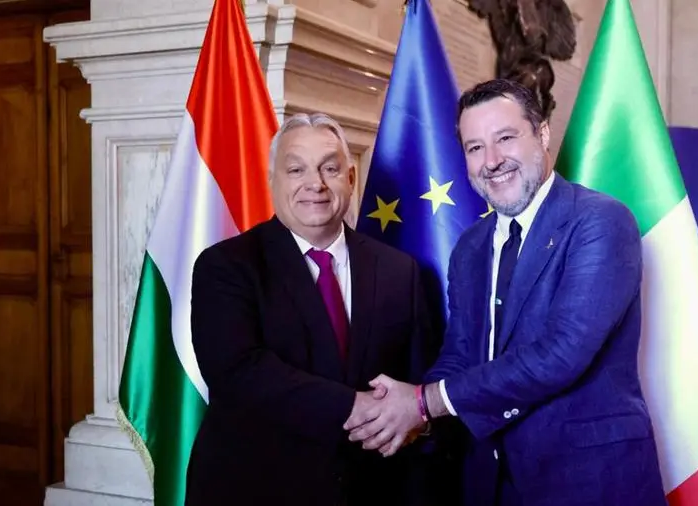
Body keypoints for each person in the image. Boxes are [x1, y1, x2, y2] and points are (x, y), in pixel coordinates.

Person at [344, 79, 668, 506]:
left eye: (505, 138)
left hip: (590, 480)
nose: (492, 161)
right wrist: (408, 415)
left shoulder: (600, 221)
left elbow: (561, 353)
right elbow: (461, 354)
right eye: (475, 147)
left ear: (543, 133)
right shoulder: (470, 247)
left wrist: (423, 402)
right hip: (490, 481)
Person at [185, 112, 438, 506]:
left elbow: (420, 374)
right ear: (272, 180)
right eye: (296, 169)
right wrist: (353, 406)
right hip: (256, 488)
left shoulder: (399, 270)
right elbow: (236, 371)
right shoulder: (227, 265)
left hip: (371, 491)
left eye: (330, 169)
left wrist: (416, 418)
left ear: (350, 178)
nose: (315, 184)